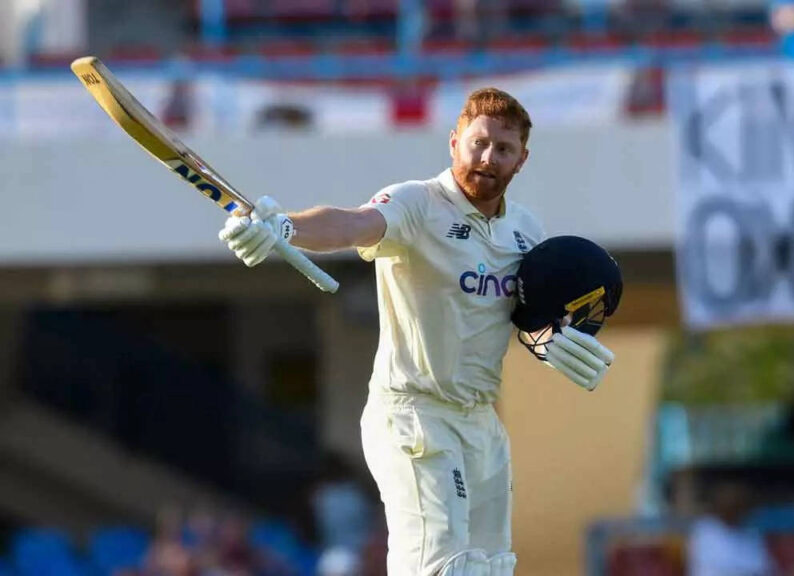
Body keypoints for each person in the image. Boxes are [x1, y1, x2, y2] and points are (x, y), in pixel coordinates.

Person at [217, 87, 618, 576]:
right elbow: (350, 224)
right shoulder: (418, 203)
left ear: (522, 160)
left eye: (504, 149)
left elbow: (523, 318)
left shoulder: (526, 232)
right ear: (455, 143)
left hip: (482, 423)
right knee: (439, 567)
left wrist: (546, 341)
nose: (488, 157)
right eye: (479, 143)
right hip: (413, 413)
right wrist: (284, 228)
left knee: (489, 568)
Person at [688, 481, 776, 576]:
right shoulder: (705, 530)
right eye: (732, 505)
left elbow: (764, 567)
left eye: (741, 506)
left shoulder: (751, 533)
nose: (738, 511)